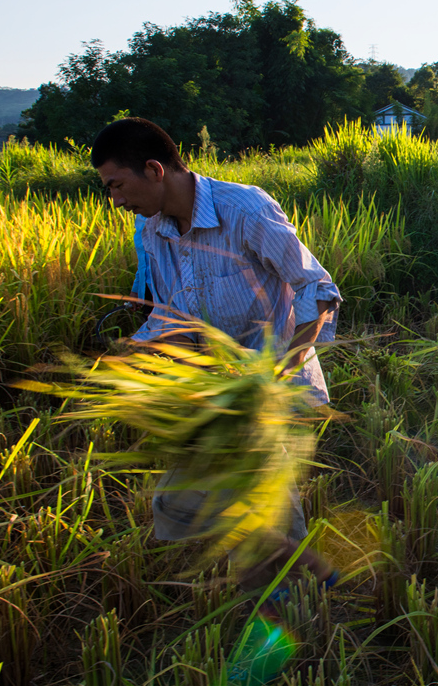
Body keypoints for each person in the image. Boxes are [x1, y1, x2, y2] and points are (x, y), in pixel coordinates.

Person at [91, 116, 339, 589]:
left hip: (270, 389)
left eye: (117, 185)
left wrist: (279, 372)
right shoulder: (153, 233)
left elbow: (318, 288)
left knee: (259, 508)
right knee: (178, 504)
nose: (116, 201)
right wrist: (133, 353)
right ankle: (304, 581)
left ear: (154, 170)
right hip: (218, 394)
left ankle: (302, 600)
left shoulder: (243, 208)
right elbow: (175, 314)